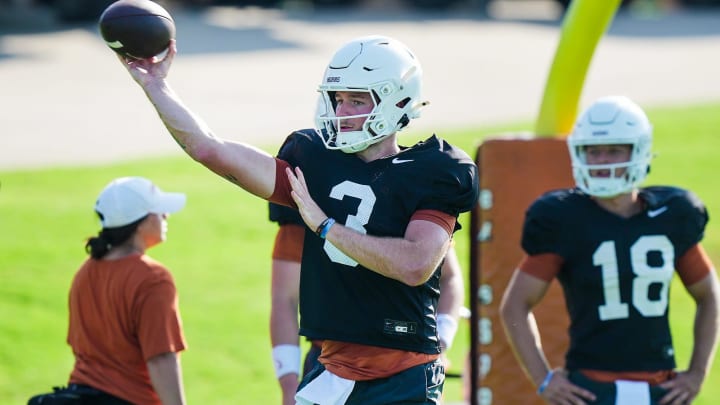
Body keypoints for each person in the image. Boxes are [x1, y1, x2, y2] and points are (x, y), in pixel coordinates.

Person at [117, 34, 479, 403]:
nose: (342, 113)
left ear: (397, 100)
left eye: (357, 100)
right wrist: (155, 85)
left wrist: (325, 226)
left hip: (403, 377)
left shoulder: (434, 169)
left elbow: (416, 264)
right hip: (333, 370)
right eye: (338, 100)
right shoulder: (313, 160)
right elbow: (210, 148)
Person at [499, 96, 720, 405]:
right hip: (592, 389)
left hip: (660, 389)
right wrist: (544, 379)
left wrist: (697, 373)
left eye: (614, 150)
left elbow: (709, 295)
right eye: (594, 151)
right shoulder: (564, 219)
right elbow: (515, 306)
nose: (603, 161)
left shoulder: (672, 215)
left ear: (639, 150)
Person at [268, 203, 466, 405]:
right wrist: (288, 382)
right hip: (331, 365)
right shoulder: (313, 202)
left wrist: (441, 341)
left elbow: (448, 277)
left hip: (409, 364)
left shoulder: (408, 198)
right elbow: (285, 297)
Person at [28, 176, 189, 405]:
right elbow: (161, 358)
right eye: (159, 211)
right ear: (139, 222)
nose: (166, 215)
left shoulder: (85, 273)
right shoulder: (153, 279)